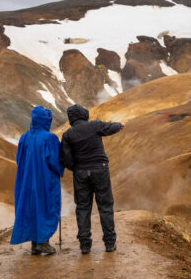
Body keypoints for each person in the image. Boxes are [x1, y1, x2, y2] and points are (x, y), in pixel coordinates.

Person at [60, 104, 124, 254]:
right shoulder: (94, 125)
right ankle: (109, 243)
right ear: (83, 114)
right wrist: (120, 125)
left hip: (80, 173)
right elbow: (110, 127)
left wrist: (76, 168)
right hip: (100, 169)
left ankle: (85, 245)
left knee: (82, 207)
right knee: (105, 205)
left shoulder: (68, 135)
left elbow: (66, 158)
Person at [10, 106, 64, 255]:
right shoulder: (49, 137)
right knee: (46, 207)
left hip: (26, 180)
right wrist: (61, 169)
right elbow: (54, 161)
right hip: (45, 180)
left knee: (31, 208)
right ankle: (43, 243)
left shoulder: (24, 137)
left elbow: (18, 159)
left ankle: (35, 244)